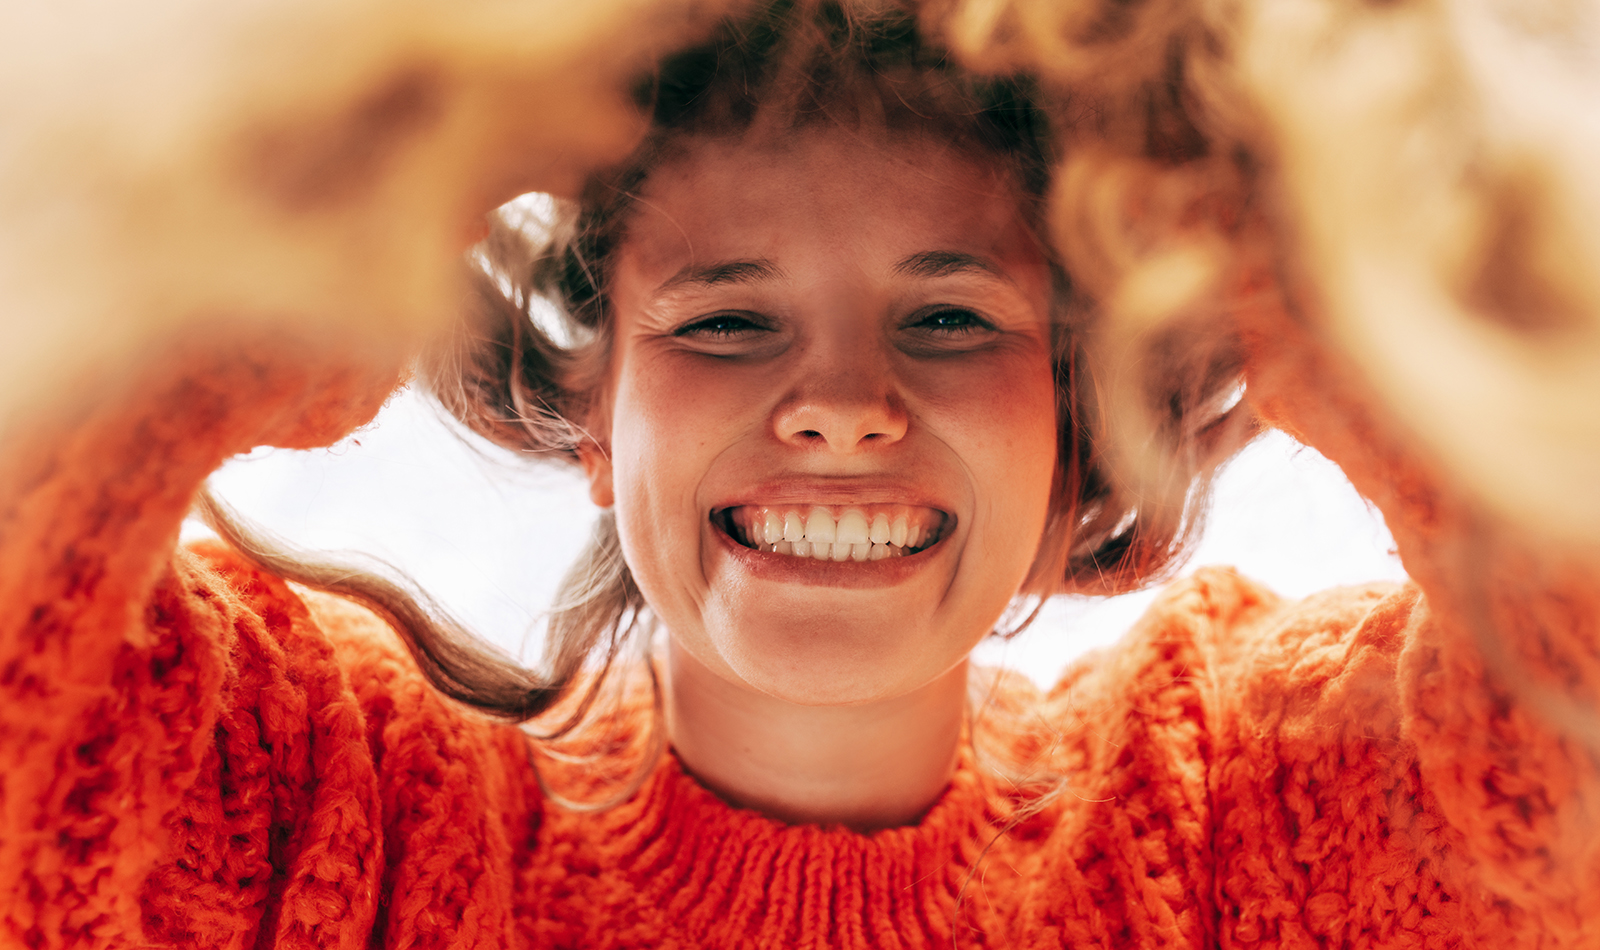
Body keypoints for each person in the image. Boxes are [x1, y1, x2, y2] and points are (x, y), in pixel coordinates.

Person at [3, 1, 1599, 948]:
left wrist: (1280, 240)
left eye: (950, 313)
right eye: (730, 316)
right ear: (591, 407)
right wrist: (330, 223)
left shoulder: (1239, 835)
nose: (840, 404)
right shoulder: (348, 839)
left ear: (1076, 418)